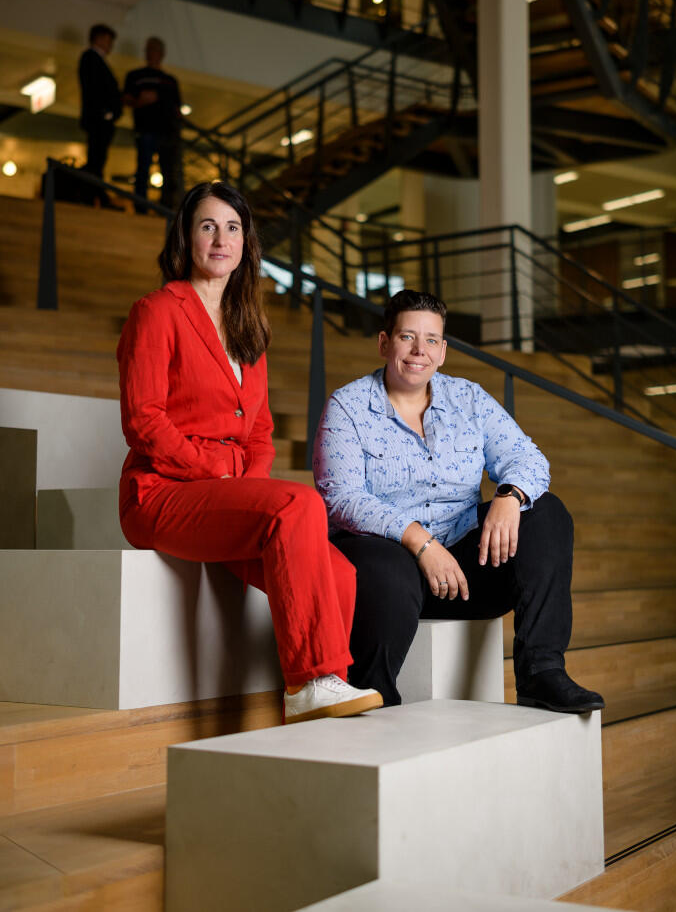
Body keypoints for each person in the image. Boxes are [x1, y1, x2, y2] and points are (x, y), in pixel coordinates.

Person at [117, 180, 382, 724]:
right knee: (299, 505)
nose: (221, 239)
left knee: (342, 574)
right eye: (208, 226)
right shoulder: (156, 311)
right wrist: (216, 472)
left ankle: (327, 696)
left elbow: (259, 430)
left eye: (233, 228)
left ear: (247, 243)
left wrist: (244, 485)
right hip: (161, 493)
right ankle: (309, 682)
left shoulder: (247, 326)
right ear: (186, 237)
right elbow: (143, 420)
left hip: (224, 496)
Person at [313, 289, 605, 714]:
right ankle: (373, 693)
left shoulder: (468, 398)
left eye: (431, 340)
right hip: (389, 566)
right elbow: (341, 498)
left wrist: (510, 495)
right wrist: (419, 542)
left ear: (444, 350)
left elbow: (527, 458)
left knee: (546, 512)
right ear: (383, 343)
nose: (419, 351)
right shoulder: (349, 406)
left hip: (466, 571)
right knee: (386, 564)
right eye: (407, 337)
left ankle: (541, 673)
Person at [123, 37, 183, 213]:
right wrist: (140, 101)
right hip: (145, 129)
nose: (152, 53)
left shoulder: (170, 81)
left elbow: (177, 107)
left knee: (167, 170)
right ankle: (140, 206)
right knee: (143, 168)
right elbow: (126, 98)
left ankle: (165, 207)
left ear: (162, 54)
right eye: (149, 49)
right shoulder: (135, 76)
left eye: (155, 50)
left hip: (167, 131)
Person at [78, 23, 122, 208]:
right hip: (99, 119)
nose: (110, 44)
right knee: (96, 158)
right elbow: (95, 89)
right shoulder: (91, 58)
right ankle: (93, 197)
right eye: (108, 40)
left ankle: (94, 196)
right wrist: (106, 113)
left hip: (101, 119)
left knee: (98, 158)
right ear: (99, 38)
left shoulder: (96, 60)